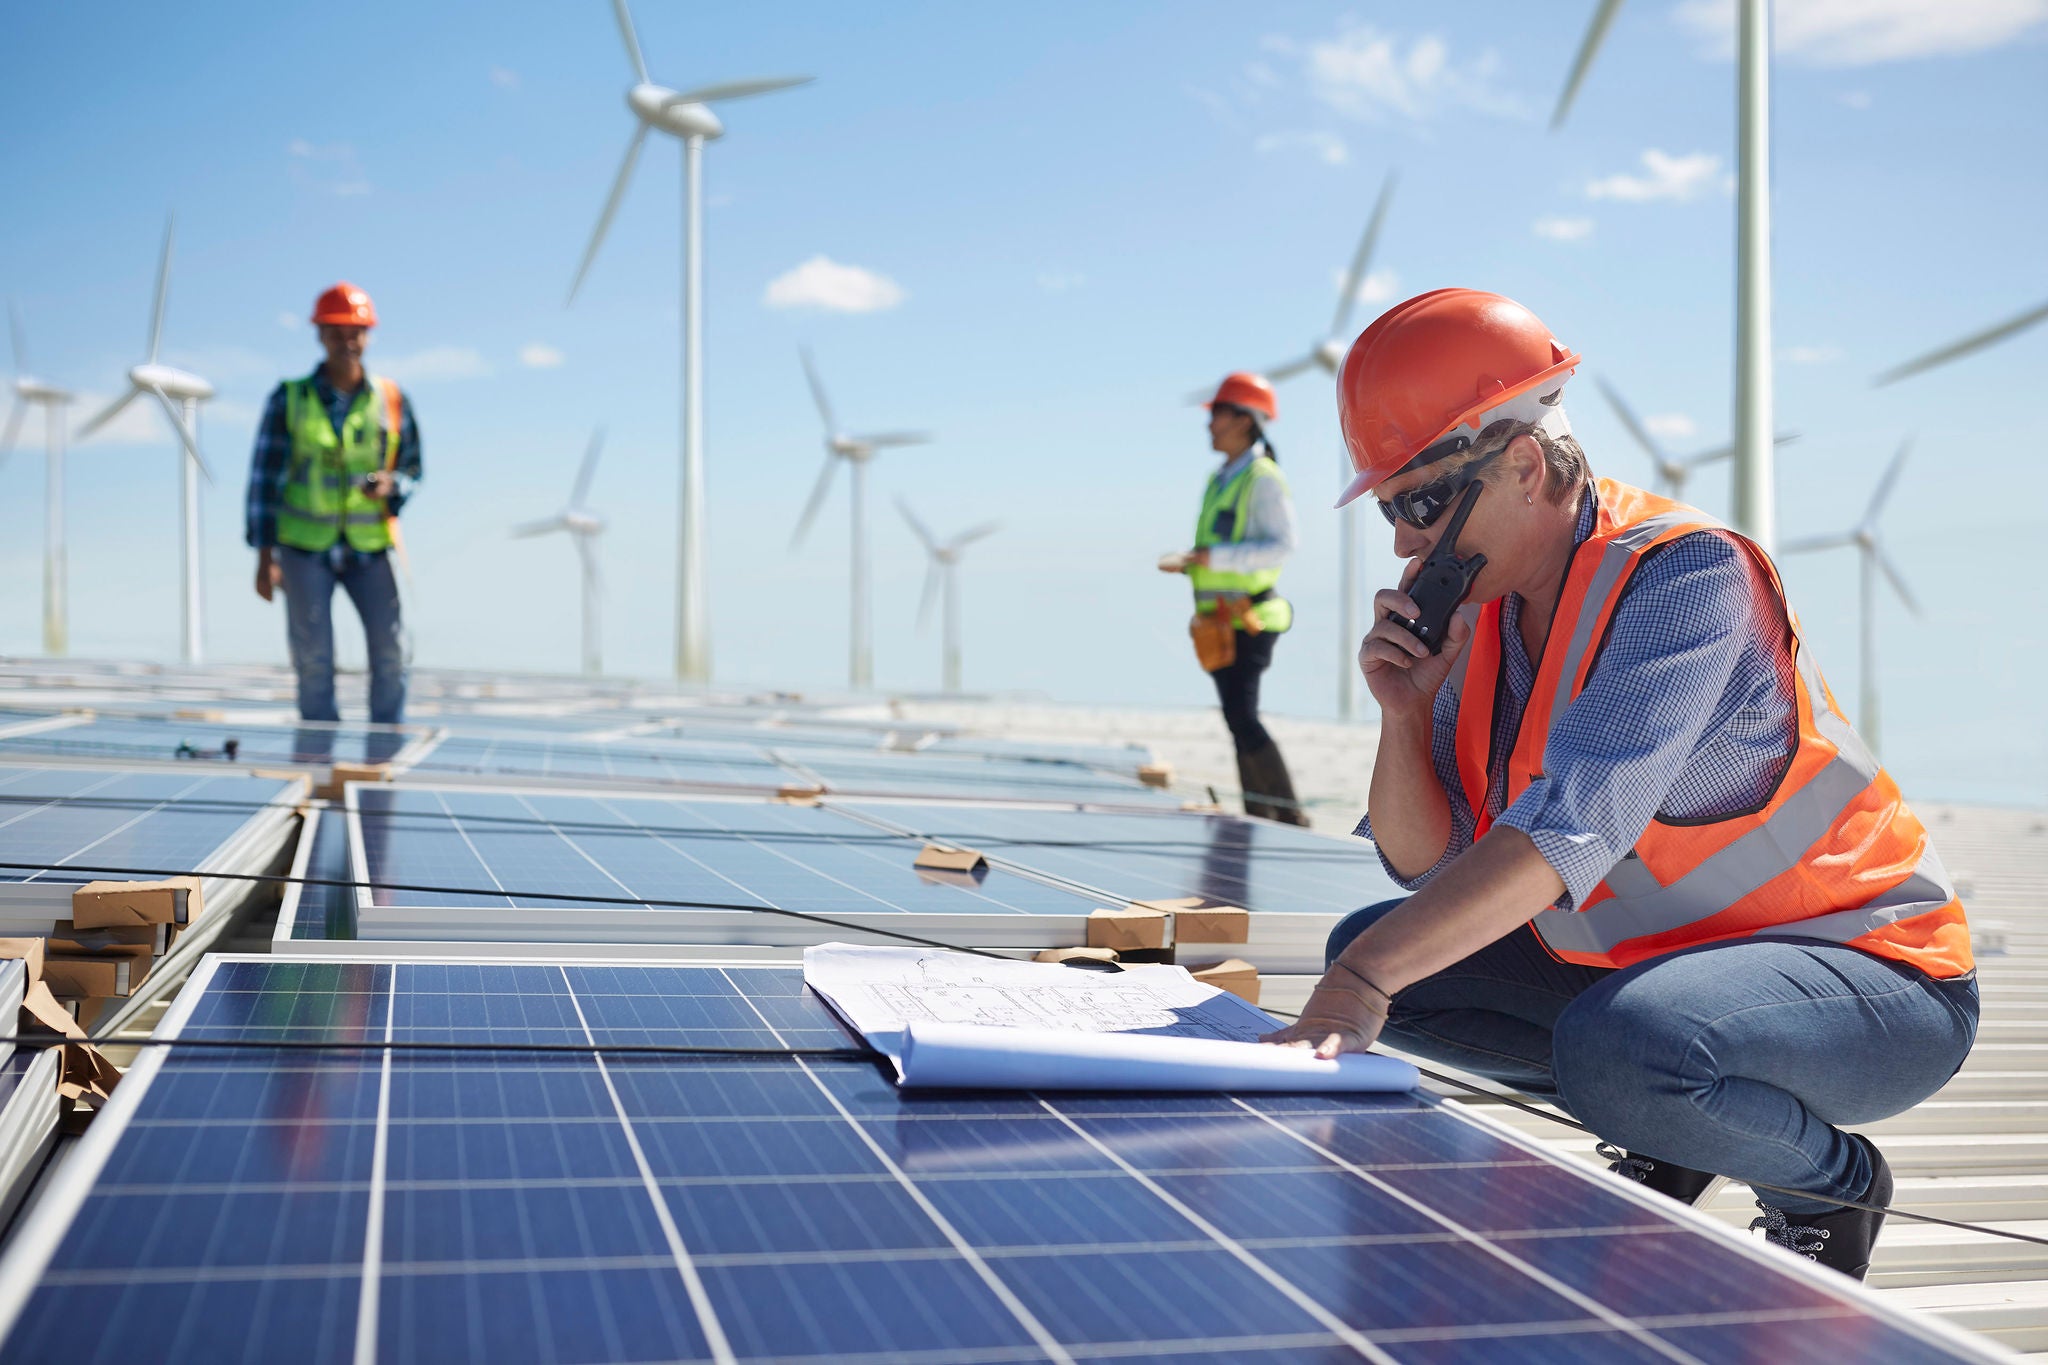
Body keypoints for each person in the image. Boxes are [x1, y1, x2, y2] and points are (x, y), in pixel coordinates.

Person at [1263, 288, 1976, 1281]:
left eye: (1421, 504)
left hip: (1873, 979)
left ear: (1520, 464)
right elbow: (1419, 862)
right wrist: (1398, 715)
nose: (1400, 543)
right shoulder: (1480, 616)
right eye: (1389, 508)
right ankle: (1680, 1124)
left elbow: (1565, 831)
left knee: (1601, 1042)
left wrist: (1359, 984)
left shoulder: (1682, 581)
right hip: (1672, 969)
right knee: (1390, 958)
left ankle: (1826, 1181)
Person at [245, 283, 420, 725]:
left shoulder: (391, 399)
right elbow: (264, 479)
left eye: (355, 332)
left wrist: (391, 484)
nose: (347, 342)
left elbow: (414, 469)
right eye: (337, 332)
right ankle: (317, 762)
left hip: (370, 545)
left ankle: (383, 760)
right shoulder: (290, 398)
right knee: (314, 658)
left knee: (392, 652)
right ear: (320, 334)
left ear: (367, 335)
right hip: (304, 548)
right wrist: (265, 556)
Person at [1162, 373, 1308, 825]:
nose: (1209, 425)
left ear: (1244, 420)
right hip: (1218, 622)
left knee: (1243, 717)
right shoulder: (1221, 479)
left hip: (1250, 618)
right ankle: (1261, 814)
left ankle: (1286, 817)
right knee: (1236, 719)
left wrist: (1212, 556)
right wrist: (1196, 561)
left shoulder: (1262, 477)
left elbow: (1282, 545)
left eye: (1218, 415)